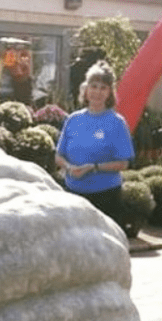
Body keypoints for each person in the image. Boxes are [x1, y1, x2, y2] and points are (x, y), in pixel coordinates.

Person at [55, 60, 134, 227]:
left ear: (109, 93)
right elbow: (58, 156)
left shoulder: (116, 123)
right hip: (73, 196)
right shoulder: (73, 120)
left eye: (103, 88)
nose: (97, 92)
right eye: (94, 86)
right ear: (86, 89)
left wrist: (94, 167)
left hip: (105, 198)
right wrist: (69, 168)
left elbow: (124, 163)